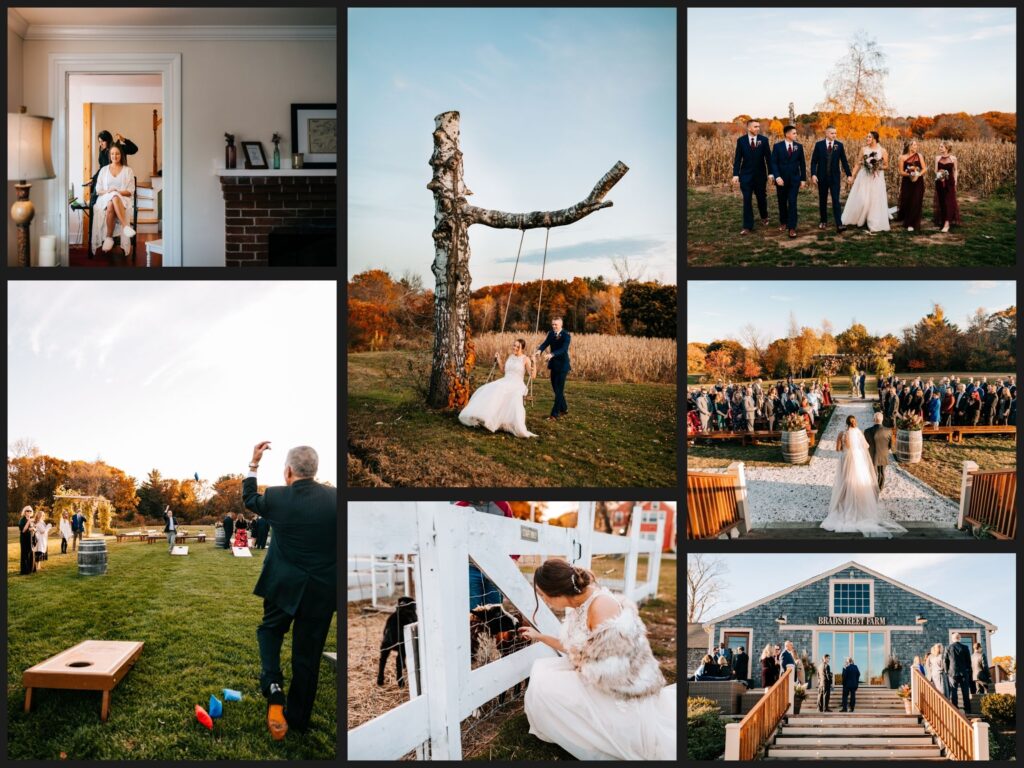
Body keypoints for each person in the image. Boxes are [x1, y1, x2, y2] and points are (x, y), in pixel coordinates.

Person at [520, 560, 675, 760]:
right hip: (592, 668)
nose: (545, 600)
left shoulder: (601, 607)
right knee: (542, 673)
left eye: (543, 595)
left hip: (618, 684)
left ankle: (588, 733)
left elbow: (611, 667)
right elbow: (574, 646)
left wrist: (578, 671)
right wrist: (539, 636)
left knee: (548, 687)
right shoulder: (578, 603)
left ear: (557, 592)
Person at [243, 442, 336, 740]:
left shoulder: (277, 497)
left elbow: (249, 498)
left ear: (287, 471)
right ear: (316, 471)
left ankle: (273, 684)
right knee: (307, 656)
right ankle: (298, 719)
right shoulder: (337, 499)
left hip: (283, 585)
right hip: (322, 591)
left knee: (270, 631)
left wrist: (254, 464)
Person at [821, 415, 906, 537]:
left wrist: (845, 448)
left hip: (845, 459)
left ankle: (844, 499)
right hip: (857, 460)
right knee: (858, 480)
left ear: (846, 423)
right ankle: (859, 501)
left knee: (844, 480)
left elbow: (838, 449)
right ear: (855, 423)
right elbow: (865, 447)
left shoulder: (841, 434)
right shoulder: (859, 433)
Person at [458, 338, 536, 437]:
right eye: (514, 345)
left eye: (518, 346)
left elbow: (532, 376)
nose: (515, 348)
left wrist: (535, 362)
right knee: (487, 388)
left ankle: (495, 420)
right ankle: (483, 416)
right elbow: (503, 371)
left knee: (501, 389)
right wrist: (498, 359)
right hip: (505, 380)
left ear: (522, 348)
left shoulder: (526, 359)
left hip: (517, 383)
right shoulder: (510, 356)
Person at [456, 501, 516, 608]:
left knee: (495, 610)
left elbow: (512, 532)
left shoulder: (502, 505)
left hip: (496, 568)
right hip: (470, 568)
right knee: (473, 610)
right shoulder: (459, 507)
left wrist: (512, 559)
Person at [91, 145, 136, 255]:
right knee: (112, 198)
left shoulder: (128, 170)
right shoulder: (104, 170)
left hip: (123, 199)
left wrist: (117, 192)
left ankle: (108, 238)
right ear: (109, 155)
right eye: (112, 154)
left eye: (117, 153)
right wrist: (110, 191)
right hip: (104, 198)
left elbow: (130, 191)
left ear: (121, 155)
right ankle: (125, 226)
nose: (114, 156)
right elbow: (98, 190)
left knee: (113, 200)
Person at [841, 131, 890, 232]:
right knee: (862, 199)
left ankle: (872, 220)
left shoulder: (882, 150)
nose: (867, 139)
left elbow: (886, 166)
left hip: (876, 178)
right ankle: (858, 218)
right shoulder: (863, 149)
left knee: (874, 200)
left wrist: (876, 166)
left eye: (869, 137)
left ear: (875, 139)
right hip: (863, 177)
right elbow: (858, 164)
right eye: (866, 137)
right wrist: (852, 176)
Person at [731, 118, 772, 235]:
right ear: (749, 128)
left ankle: (764, 216)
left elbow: (768, 158)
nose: (758, 129)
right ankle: (747, 226)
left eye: (759, 127)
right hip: (746, 176)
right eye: (755, 127)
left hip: (760, 175)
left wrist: (770, 173)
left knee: (761, 198)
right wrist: (735, 174)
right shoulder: (741, 141)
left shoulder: (764, 140)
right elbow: (738, 159)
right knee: (747, 200)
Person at [810, 126, 852, 232]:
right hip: (822, 177)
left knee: (836, 200)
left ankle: (839, 223)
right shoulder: (819, 145)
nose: (834, 135)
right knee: (823, 200)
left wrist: (849, 174)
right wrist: (813, 174)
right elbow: (814, 161)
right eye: (832, 133)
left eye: (835, 133)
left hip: (834, 178)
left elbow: (844, 161)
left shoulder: (839, 145)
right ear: (826, 133)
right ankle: (823, 221)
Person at [769, 125, 807, 238]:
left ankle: (792, 227)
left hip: (794, 180)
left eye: (796, 133)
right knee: (782, 202)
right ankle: (783, 222)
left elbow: (802, 164)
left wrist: (803, 179)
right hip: (781, 180)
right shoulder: (777, 146)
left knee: (792, 202)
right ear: (787, 134)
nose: (796, 135)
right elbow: (773, 163)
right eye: (794, 133)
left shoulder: (799, 147)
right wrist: (777, 177)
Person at [536, 317, 571, 421]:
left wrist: (552, 354)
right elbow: (546, 343)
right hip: (553, 365)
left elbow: (563, 349)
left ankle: (554, 414)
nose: (554, 326)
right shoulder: (551, 333)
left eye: (556, 324)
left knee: (559, 391)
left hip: (563, 366)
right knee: (556, 389)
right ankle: (564, 408)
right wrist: (540, 350)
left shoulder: (566, 335)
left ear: (561, 325)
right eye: (553, 324)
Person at [895, 140, 926, 231]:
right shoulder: (902, 157)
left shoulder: (919, 156)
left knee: (916, 201)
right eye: (914, 145)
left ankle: (912, 223)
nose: (916, 147)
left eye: (916, 145)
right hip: (907, 183)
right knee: (908, 201)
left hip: (918, 182)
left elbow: (924, 169)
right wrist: (910, 174)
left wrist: (918, 174)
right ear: (909, 146)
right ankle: (906, 218)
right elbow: (901, 172)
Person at [933, 142, 961, 232]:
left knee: (949, 201)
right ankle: (944, 219)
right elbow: (935, 170)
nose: (940, 148)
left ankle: (947, 223)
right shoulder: (937, 158)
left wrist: (955, 181)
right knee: (942, 202)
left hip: (950, 182)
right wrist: (939, 175)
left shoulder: (953, 158)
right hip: (940, 182)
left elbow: (956, 170)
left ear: (947, 148)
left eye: (941, 147)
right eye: (940, 146)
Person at [944, 633, 973, 713]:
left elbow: (945, 661)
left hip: (952, 673)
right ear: (960, 638)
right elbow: (968, 661)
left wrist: (947, 671)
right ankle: (967, 709)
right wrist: (968, 670)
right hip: (964, 672)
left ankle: (955, 709)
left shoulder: (948, 648)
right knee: (965, 691)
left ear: (953, 639)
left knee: (953, 691)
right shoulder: (965, 647)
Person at [18, 506, 35, 575]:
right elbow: (23, 530)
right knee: (25, 554)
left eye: (30, 511)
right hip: (24, 539)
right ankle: (25, 570)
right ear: (24, 512)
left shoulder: (30, 519)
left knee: (31, 552)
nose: (29, 512)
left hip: (30, 538)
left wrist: (33, 529)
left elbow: (32, 529)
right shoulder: (22, 520)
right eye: (27, 511)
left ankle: (31, 569)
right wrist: (29, 522)